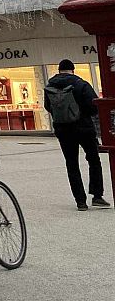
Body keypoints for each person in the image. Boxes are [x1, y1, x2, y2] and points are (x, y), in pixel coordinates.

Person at [45, 59, 109, 211]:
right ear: (72, 70)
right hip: (84, 127)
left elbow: (48, 107)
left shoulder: (49, 87)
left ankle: (80, 201)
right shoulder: (81, 84)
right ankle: (97, 196)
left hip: (63, 130)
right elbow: (94, 106)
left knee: (71, 163)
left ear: (59, 70)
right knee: (93, 159)